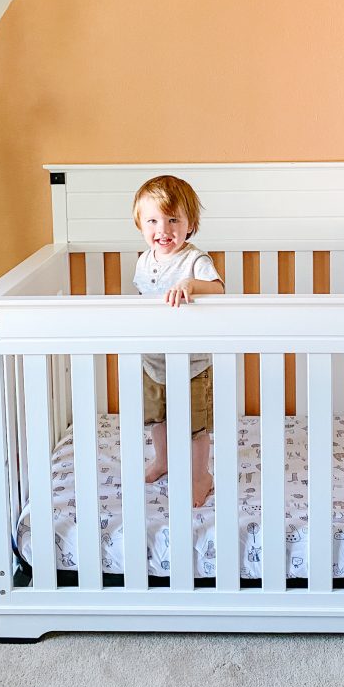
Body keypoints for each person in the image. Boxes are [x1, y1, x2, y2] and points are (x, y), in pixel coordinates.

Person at [132, 174, 224, 507]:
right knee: (158, 418)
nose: (164, 229)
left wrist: (192, 285)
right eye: (153, 220)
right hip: (153, 361)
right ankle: (164, 460)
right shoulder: (144, 260)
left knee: (193, 426)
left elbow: (218, 289)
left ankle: (201, 476)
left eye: (174, 220)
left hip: (191, 364)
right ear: (140, 224)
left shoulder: (195, 261)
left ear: (190, 225)